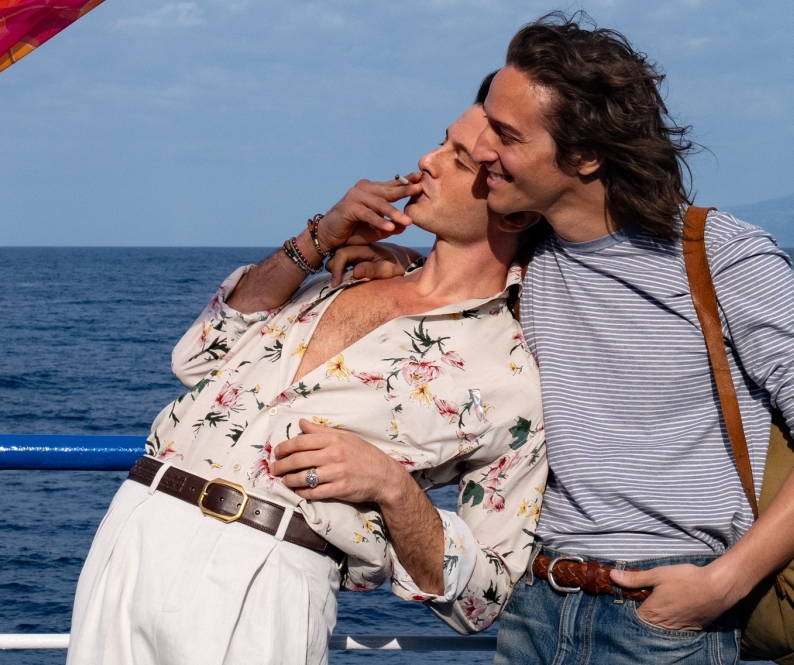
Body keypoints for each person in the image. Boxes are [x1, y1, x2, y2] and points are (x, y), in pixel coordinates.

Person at [66, 99, 548, 665]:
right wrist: (316, 240)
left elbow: (484, 598)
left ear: (516, 214)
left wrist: (393, 488)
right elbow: (197, 357)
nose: (428, 160)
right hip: (136, 525)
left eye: (460, 160)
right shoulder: (346, 271)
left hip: (264, 574)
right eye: (443, 140)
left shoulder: (511, 381)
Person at [478, 14, 794, 665]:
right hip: (534, 606)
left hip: (662, 621)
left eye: (506, 134)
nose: (480, 148)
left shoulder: (719, 254)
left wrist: (723, 583)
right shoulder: (521, 259)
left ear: (585, 155)